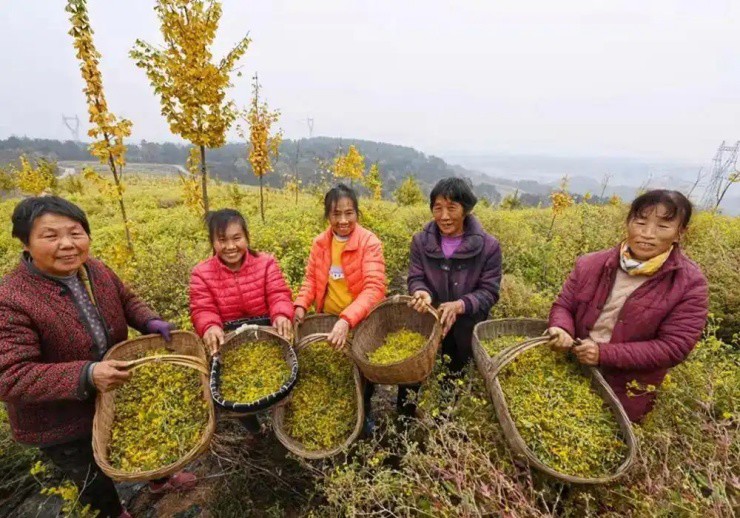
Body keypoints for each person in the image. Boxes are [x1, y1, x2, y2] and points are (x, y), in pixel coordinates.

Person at [0, 196, 194, 518]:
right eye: (50, 236)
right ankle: (114, 512)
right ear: (26, 243)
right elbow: (9, 375)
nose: (67, 244)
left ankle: (160, 480)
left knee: (144, 436)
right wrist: (87, 374)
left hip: (113, 389)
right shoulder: (11, 298)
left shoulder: (95, 269)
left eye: (75, 233)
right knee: (90, 473)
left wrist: (149, 321)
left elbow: (127, 299)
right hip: (60, 420)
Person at [547, 190, 709, 422]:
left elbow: (674, 347)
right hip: (570, 368)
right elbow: (564, 305)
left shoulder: (689, 284)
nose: (647, 234)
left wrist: (604, 354)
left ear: (680, 233)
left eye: (662, 227)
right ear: (628, 223)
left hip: (624, 390)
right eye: (640, 222)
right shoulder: (591, 264)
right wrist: (561, 328)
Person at [189, 208, 294, 435]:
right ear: (213, 242)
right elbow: (203, 307)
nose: (230, 246)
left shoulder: (265, 263)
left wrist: (281, 314)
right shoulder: (201, 273)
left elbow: (278, 293)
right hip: (231, 340)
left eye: (237, 238)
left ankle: (282, 423)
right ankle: (255, 430)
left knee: (281, 382)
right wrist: (210, 326)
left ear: (246, 237)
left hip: (267, 333)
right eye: (222, 240)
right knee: (235, 394)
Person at [405, 178, 502, 416]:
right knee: (411, 370)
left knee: (453, 373)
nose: (444, 216)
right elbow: (416, 277)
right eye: (438, 208)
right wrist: (421, 292)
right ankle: (405, 417)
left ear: (466, 209)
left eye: (452, 207)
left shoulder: (489, 247)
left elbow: (489, 291)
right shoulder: (421, 241)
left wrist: (461, 305)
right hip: (427, 318)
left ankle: (443, 419)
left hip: (464, 324)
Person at [293, 184, 386, 432]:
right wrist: (301, 305)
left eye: (349, 213)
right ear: (328, 215)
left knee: (363, 369)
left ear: (357, 213)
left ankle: (365, 411)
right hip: (329, 317)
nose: (343, 220)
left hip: (361, 319)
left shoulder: (369, 242)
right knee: (337, 369)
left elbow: (374, 289)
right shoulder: (321, 243)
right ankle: (342, 412)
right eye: (336, 214)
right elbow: (311, 279)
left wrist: (346, 320)